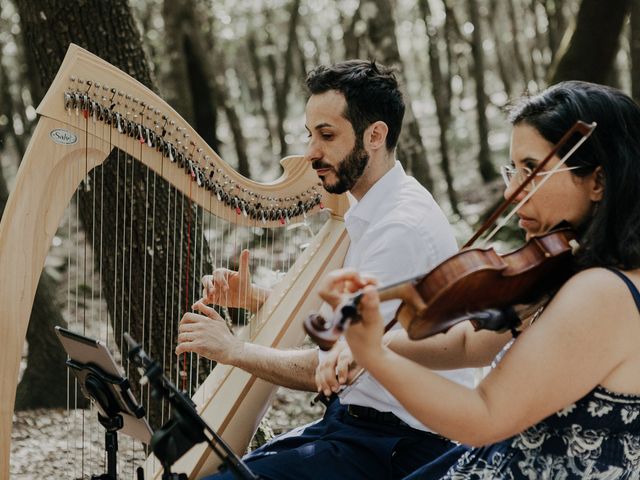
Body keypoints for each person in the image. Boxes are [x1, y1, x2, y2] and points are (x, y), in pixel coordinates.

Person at [318, 80, 640, 479]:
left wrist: (374, 357)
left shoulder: (603, 292)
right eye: (513, 169)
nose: (512, 191)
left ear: (598, 181)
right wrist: (372, 342)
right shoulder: (567, 264)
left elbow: (486, 416)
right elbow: (471, 343)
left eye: (532, 170)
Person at [175, 60, 480, 480]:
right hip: (361, 428)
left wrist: (234, 351)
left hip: (403, 446)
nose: (311, 152)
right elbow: (343, 330)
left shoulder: (400, 227)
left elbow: (336, 365)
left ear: (375, 135)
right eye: (310, 135)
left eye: (327, 135)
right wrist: (258, 299)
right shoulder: (371, 208)